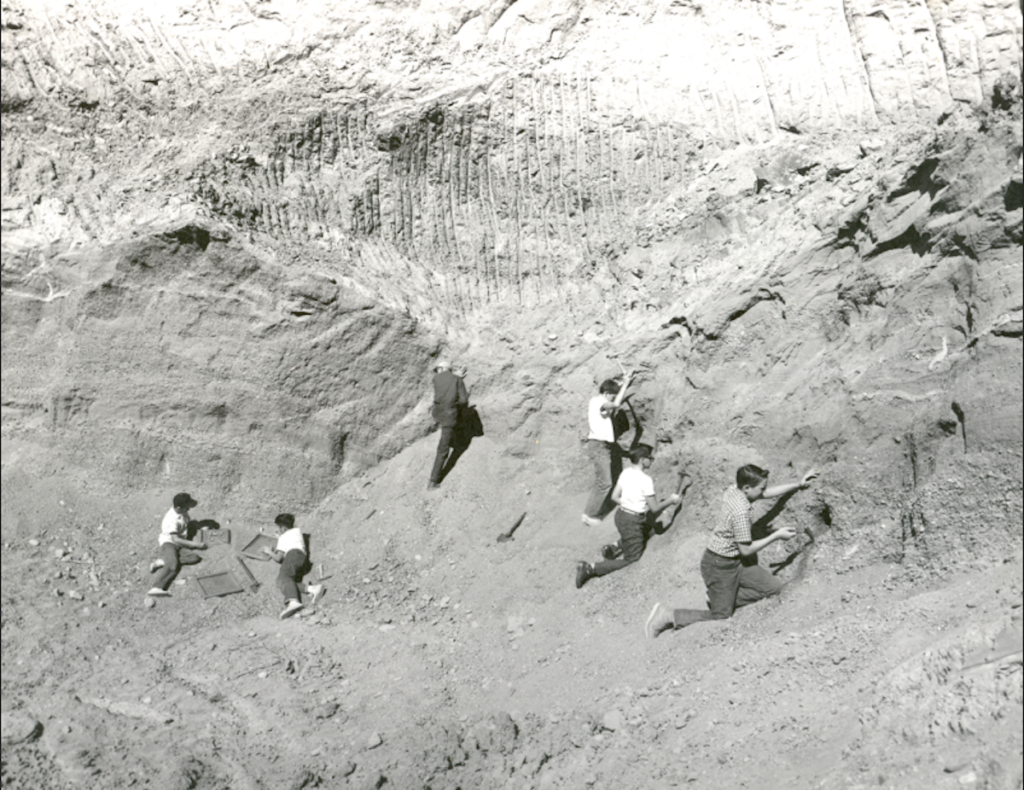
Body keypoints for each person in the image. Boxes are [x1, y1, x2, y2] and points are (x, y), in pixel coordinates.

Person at [644, 464, 819, 638]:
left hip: (736, 562)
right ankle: (668, 614)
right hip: (718, 565)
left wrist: (798, 484)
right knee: (721, 615)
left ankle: (721, 597)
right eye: (761, 488)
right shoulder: (740, 512)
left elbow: (765, 493)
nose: (763, 491)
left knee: (774, 588)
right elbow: (745, 549)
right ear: (747, 488)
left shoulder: (735, 490)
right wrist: (776, 536)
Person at [575, 444, 681, 588]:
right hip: (632, 521)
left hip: (621, 516)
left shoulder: (625, 473)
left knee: (647, 529)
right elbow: (655, 508)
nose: (651, 460)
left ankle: (615, 547)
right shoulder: (646, 480)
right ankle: (590, 568)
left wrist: (628, 503)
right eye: (650, 458)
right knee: (632, 558)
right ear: (643, 460)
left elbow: (614, 497)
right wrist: (672, 500)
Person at [262, 513, 324, 619]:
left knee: (282, 579)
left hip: (292, 555)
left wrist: (269, 552)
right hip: (302, 559)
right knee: (289, 582)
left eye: (279, 528)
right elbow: (288, 538)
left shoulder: (283, 538)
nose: (278, 530)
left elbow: (278, 558)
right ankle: (312, 589)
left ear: (283, 528)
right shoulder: (297, 532)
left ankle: (293, 601)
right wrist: (280, 537)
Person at [581, 378, 626, 526]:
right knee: (605, 483)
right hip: (599, 446)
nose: (614, 397)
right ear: (607, 393)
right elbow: (615, 404)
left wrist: (625, 380)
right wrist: (625, 385)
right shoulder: (598, 402)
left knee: (603, 482)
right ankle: (590, 515)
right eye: (613, 394)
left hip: (601, 446)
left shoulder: (597, 401)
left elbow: (611, 398)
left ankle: (589, 513)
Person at [147, 492, 207, 597]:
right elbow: (176, 539)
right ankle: (157, 587)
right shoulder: (171, 520)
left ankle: (163, 561)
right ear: (179, 508)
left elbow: (187, 523)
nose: (188, 510)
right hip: (169, 543)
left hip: (179, 543)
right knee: (173, 566)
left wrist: (199, 526)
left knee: (194, 557)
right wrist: (195, 544)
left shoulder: (182, 512)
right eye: (187, 508)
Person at [428, 359, 469, 490]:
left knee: (448, 427)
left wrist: (455, 377)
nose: (438, 372)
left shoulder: (435, 379)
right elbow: (463, 400)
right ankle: (433, 481)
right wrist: (459, 380)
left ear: (441, 369)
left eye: (438, 369)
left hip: (436, 413)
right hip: (448, 414)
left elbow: (445, 380)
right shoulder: (457, 380)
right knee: (443, 449)